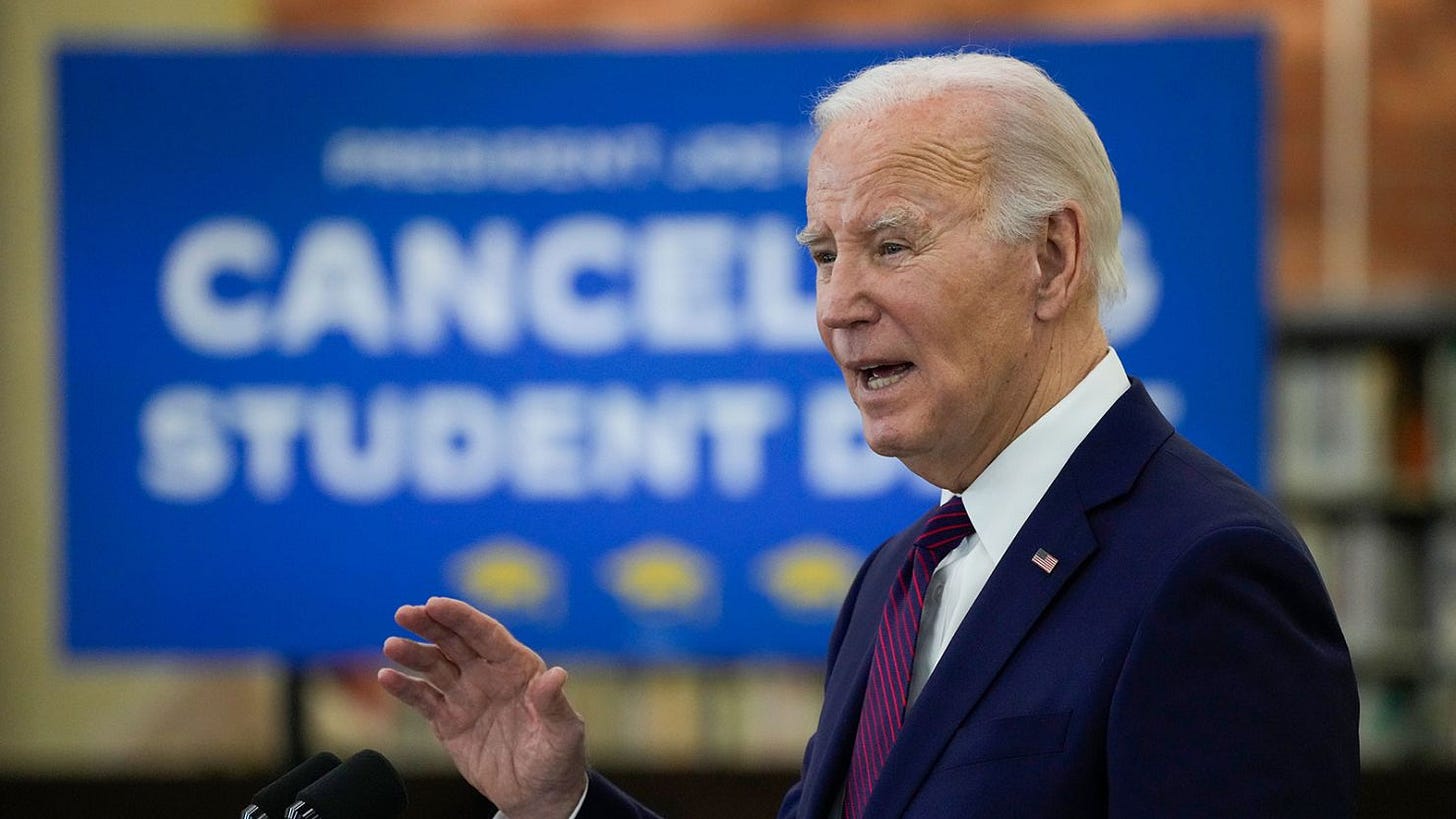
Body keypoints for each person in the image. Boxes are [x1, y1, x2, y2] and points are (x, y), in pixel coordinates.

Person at [378, 52, 1360, 818]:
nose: (837, 306)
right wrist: (563, 805)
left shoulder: (1208, 572)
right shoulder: (897, 577)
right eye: (821, 255)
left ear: (1051, 260)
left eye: (891, 246)